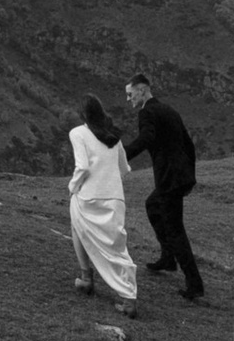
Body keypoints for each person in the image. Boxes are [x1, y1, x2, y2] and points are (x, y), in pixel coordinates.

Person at [122, 70, 204, 300]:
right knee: (152, 205)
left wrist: (121, 155)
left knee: (176, 229)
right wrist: (189, 175)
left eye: (130, 95)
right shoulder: (170, 110)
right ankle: (168, 258)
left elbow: (146, 138)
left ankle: (194, 284)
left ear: (142, 90)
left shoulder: (147, 113)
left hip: (169, 178)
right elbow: (189, 145)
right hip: (179, 176)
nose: (129, 100)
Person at [63, 95, 138, 307]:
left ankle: (86, 277)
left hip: (89, 196)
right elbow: (124, 168)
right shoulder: (113, 135)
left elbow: (83, 167)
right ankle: (128, 296)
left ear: (83, 114)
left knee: (77, 226)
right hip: (115, 197)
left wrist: (72, 187)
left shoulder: (78, 133)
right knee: (115, 245)